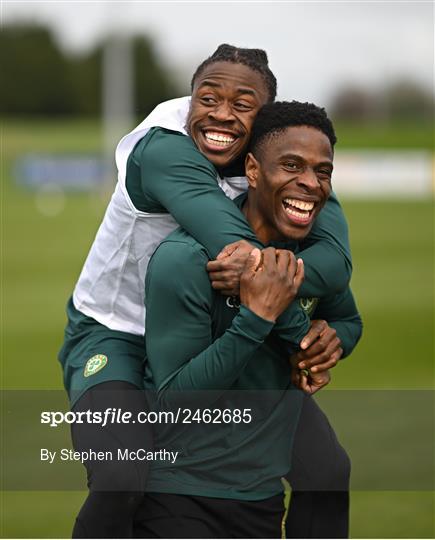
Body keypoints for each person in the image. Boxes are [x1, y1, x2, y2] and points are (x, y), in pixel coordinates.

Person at [58, 45, 353, 538]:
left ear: (263, 121)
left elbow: (335, 258)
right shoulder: (163, 146)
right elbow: (240, 253)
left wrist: (311, 340)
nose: (221, 114)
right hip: (119, 333)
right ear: (192, 97)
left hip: (206, 334)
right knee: (120, 474)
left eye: (242, 105)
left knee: (325, 473)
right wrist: (302, 339)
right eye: (208, 98)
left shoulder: (278, 154)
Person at [136, 100, 362, 538]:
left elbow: (348, 320)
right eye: (292, 165)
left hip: (258, 494)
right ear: (254, 170)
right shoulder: (187, 260)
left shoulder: (308, 255)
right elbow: (172, 407)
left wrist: (330, 341)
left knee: (330, 471)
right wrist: (257, 316)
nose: (310, 184)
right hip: (182, 495)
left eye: (322, 172)